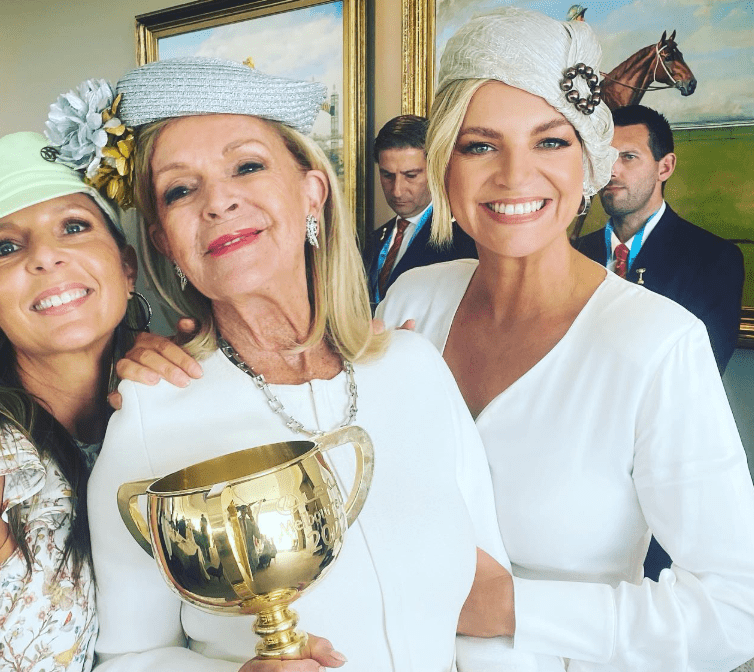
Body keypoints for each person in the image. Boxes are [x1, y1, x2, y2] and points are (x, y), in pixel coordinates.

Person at [56, 57, 509, 672]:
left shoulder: (416, 367)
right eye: (180, 190)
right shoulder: (150, 407)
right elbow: (130, 654)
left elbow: (486, 601)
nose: (218, 202)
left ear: (311, 191)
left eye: (247, 166)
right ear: (165, 238)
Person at [376, 7, 754, 671]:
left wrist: (508, 606)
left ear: (589, 162)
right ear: (445, 166)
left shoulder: (656, 344)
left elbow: (734, 614)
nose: (515, 176)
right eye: (479, 144)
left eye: (550, 141)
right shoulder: (413, 302)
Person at [0, 132, 144, 672]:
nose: (46, 257)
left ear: (126, 267)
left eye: (74, 226)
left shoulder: (157, 404)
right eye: (7, 247)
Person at [576, 104, 744, 376]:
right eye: (603, 158)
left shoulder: (715, 260)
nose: (611, 170)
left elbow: (700, 377)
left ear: (664, 167)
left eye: (628, 157)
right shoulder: (574, 253)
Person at [365, 115, 478, 308]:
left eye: (410, 176)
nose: (397, 190)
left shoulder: (464, 238)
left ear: (436, 170)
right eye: (387, 175)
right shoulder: (373, 240)